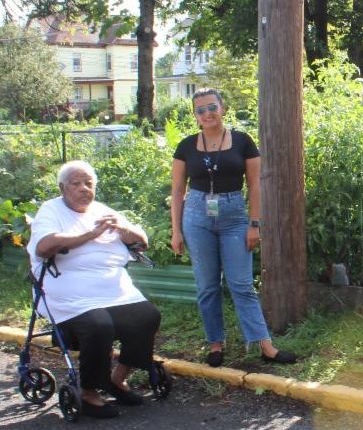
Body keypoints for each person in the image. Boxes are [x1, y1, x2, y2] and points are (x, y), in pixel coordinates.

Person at [170, 88, 296, 367]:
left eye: (211, 107)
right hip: (196, 216)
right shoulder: (186, 146)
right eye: (200, 110)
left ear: (223, 107)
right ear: (195, 116)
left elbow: (255, 186)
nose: (207, 114)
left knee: (241, 284)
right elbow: (178, 190)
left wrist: (254, 224)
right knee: (207, 285)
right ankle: (216, 343)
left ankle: (265, 345)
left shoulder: (242, 142)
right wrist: (176, 231)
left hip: (234, 216)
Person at [29, 161, 160, 418]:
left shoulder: (101, 210)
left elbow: (141, 243)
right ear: (62, 187)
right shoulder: (51, 210)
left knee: (147, 316)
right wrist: (89, 235)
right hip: (68, 291)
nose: (84, 188)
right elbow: (43, 247)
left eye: (89, 183)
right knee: (99, 325)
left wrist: (123, 229)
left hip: (112, 289)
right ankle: (89, 392)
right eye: (76, 183)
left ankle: (117, 379)